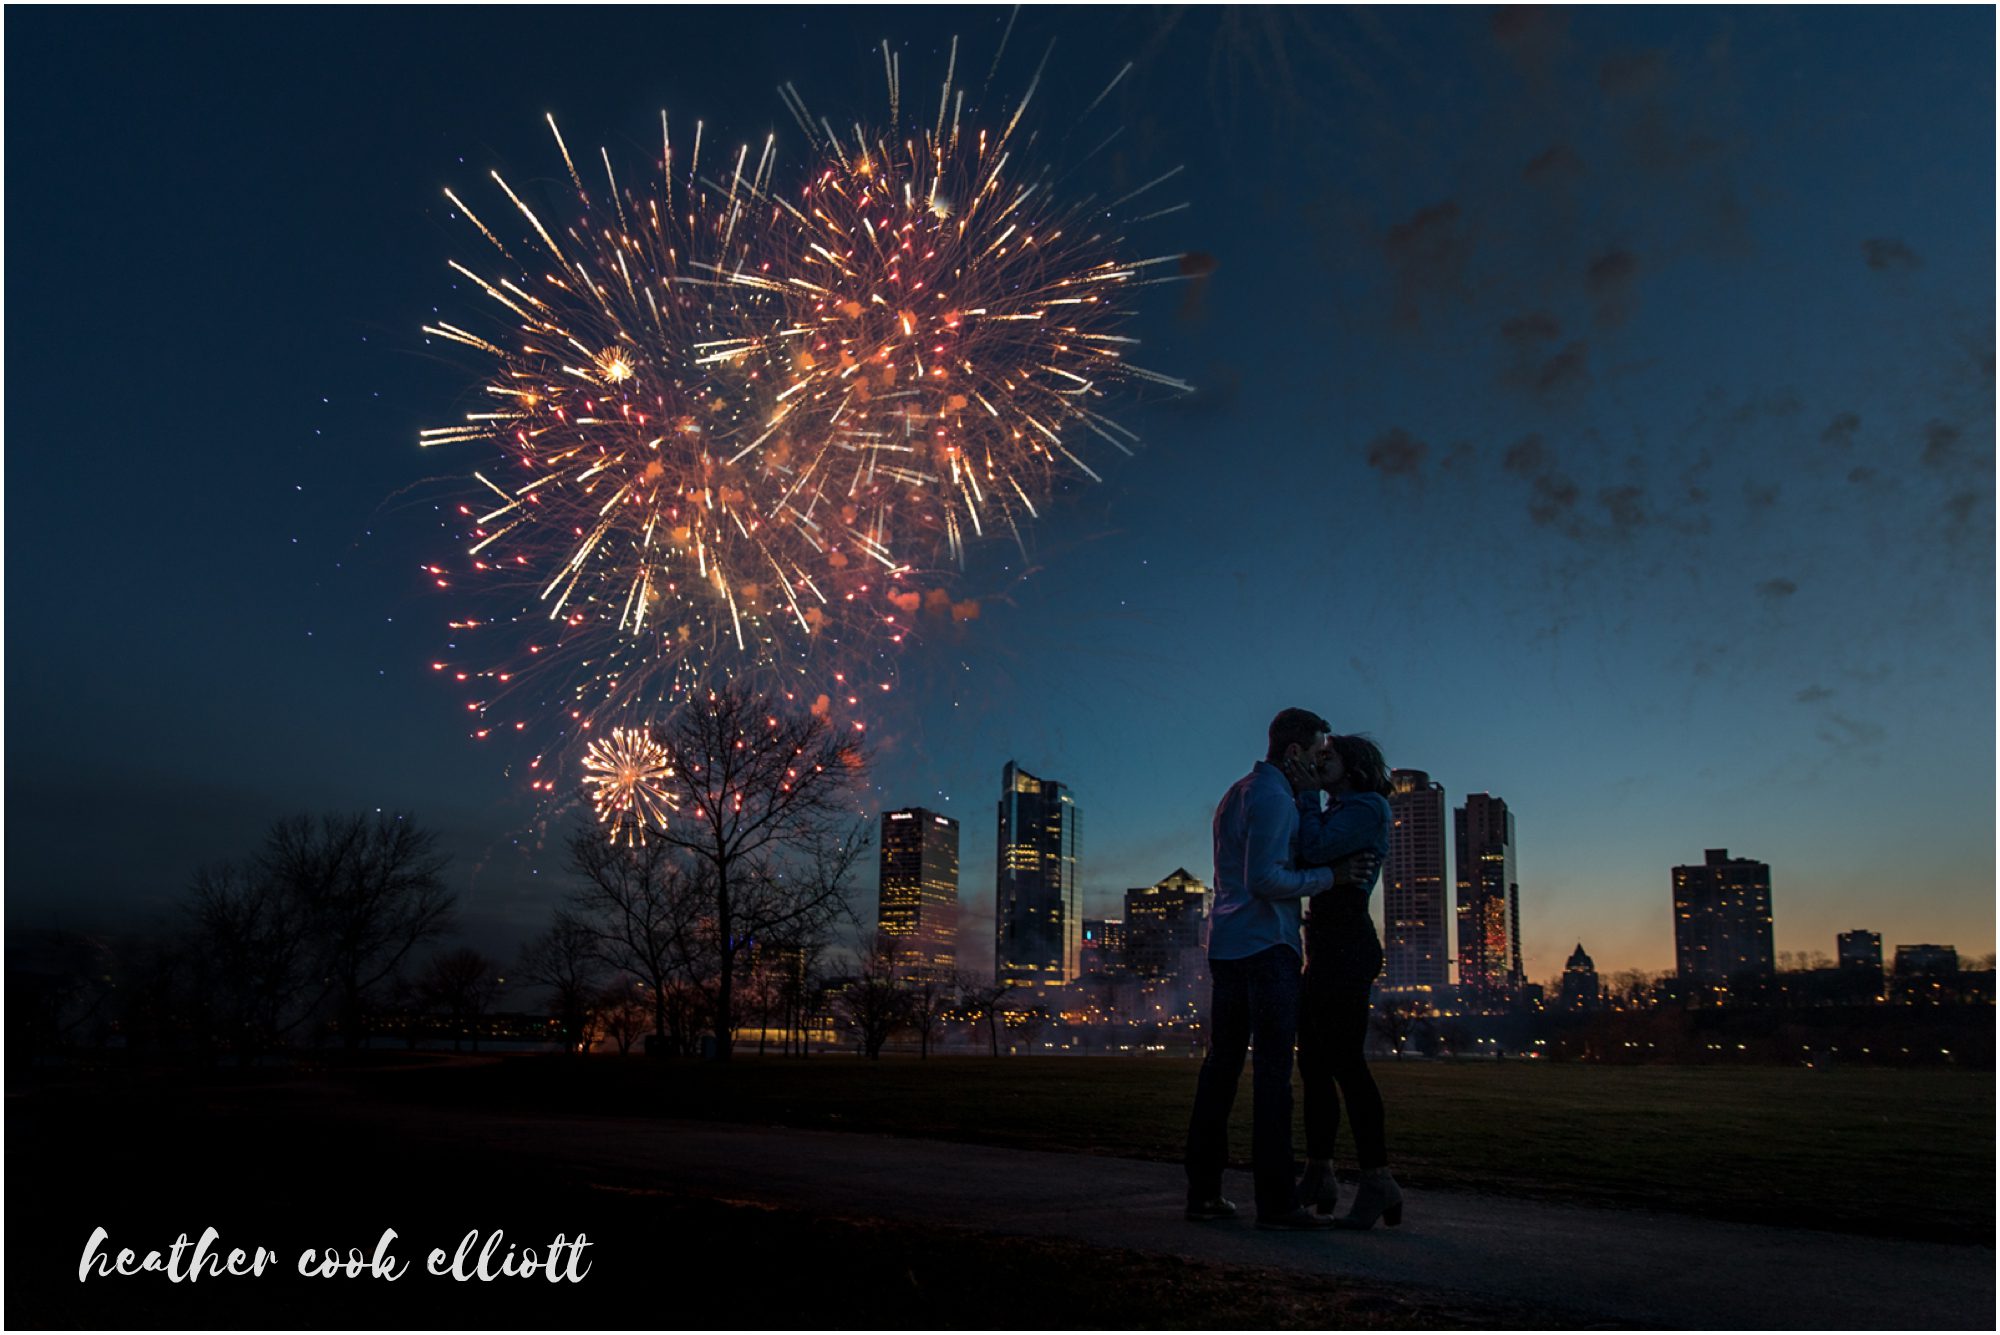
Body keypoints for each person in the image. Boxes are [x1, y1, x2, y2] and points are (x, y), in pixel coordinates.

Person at [1184, 708, 1372, 1230]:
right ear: (1294, 753)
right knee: (1272, 1075)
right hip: (1266, 947)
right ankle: (1277, 1201)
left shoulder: (1237, 793)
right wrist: (1328, 877)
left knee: (1220, 1070)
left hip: (1227, 946)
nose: (1319, 765)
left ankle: (1203, 1192)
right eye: (1315, 755)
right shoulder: (1272, 798)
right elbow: (1265, 879)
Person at [1294, 733, 1403, 1228]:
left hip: (1348, 946)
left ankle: (1378, 1180)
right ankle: (1321, 1172)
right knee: (1314, 1064)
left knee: (1345, 1062)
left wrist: (1308, 795)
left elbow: (1311, 849)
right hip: (1324, 945)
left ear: (1354, 765)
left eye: (1328, 756)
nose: (1319, 762)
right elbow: (1306, 855)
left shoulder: (1368, 808)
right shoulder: (1341, 809)